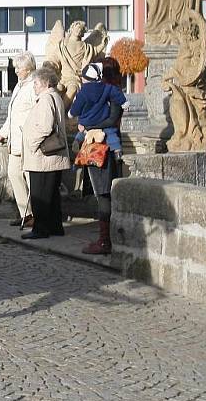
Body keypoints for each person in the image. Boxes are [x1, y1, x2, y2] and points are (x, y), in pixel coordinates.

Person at [76, 57, 126, 255]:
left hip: (103, 148)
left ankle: (105, 240)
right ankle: (105, 238)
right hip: (100, 146)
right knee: (102, 193)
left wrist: (86, 126)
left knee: (104, 193)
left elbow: (112, 120)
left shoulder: (111, 94)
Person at [21, 66, 71, 240]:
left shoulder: (46, 99)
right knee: (52, 194)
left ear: (45, 82)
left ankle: (40, 229)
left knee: (40, 194)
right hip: (52, 157)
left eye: (35, 82)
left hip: (43, 157)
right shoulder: (55, 96)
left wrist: (32, 144)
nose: (34, 86)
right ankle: (55, 227)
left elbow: (44, 126)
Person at [0, 52, 38, 228]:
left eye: (18, 68)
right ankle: (26, 214)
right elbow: (12, 115)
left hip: (27, 140)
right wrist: (3, 132)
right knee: (13, 173)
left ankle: (37, 215)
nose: (16, 71)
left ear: (28, 69)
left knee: (30, 178)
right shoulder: (19, 86)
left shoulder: (33, 86)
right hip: (15, 140)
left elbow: (37, 112)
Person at [69, 62, 127, 161]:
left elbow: (77, 106)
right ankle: (117, 150)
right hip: (103, 118)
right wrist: (124, 103)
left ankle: (77, 141)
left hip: (86, 121)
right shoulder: (107, 87)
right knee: (111, 132)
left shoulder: (83, 92)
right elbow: (117, 94)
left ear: (86, 78)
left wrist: (71, 113)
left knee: (82, 132)